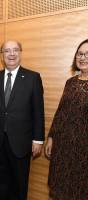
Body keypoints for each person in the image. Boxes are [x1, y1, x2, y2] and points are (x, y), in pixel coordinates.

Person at [0, 40, 45, 200]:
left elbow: (38, 111)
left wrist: (38, 139)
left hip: (21, 142)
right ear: (2, 56)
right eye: (7, 51)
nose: (11, 54)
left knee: (19, 184)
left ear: (20, 53)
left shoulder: (32, 78)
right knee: (0, 183)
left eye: (15, 50)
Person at [45, 39, 88, 200]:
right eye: (80, 54)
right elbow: (60, 112)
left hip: (84, 150)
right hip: (63, 148)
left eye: (87, 54)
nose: (83, 58)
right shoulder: (70, 83)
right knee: (61, 188)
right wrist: (51, 137)